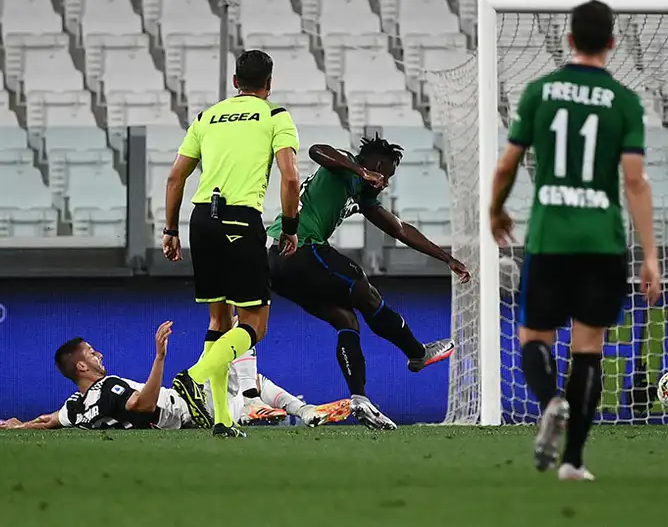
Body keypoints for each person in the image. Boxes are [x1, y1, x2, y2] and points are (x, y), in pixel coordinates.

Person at [489, 0, 661, 481]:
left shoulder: (540, 92)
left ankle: (550, 403)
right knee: (588, 349)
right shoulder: (625, 101)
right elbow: (635, 182)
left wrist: (495, 209)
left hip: (550, 237)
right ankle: (573, 462)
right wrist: (650, 256)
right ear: (611, 42)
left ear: (568, 40)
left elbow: (506, 165)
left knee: (533, 338)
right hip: (603, 242)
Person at [264, 136, 470, 430]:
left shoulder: (363, 198)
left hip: (280, 267)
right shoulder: (344, 165)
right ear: (375, 165)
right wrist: (361, 172)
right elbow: (317, 150)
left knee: (346, 319)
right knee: (363, 288)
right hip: (300, 248)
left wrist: (446, 258)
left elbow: (400, 229)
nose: (385, 182)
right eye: (386, 174)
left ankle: (359, 399)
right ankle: (416, 352)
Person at [161, 49, 301, 438]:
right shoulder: (275, 116)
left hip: (201, 219)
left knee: (219, 321)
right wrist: (290, 226)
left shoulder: (207, 116)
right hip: (241, 219)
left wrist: (170, 230)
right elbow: (290, 178)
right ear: (268, 84)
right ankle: (192, 377)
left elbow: (176, 178)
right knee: (255, 324)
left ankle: (222, 420)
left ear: (235, 82)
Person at [1, 326, 347, 430]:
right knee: (240, 337)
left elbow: (50, 421)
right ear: (80, 367)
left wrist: (17, 426)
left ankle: (296, 410)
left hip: (188, 404)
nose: (99, 355)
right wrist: (159, 358)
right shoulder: (107, 388)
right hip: (186, 404)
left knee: (239, 365)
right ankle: (258, 406)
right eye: (92, 352)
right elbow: (143, 403)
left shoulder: (77, 405)